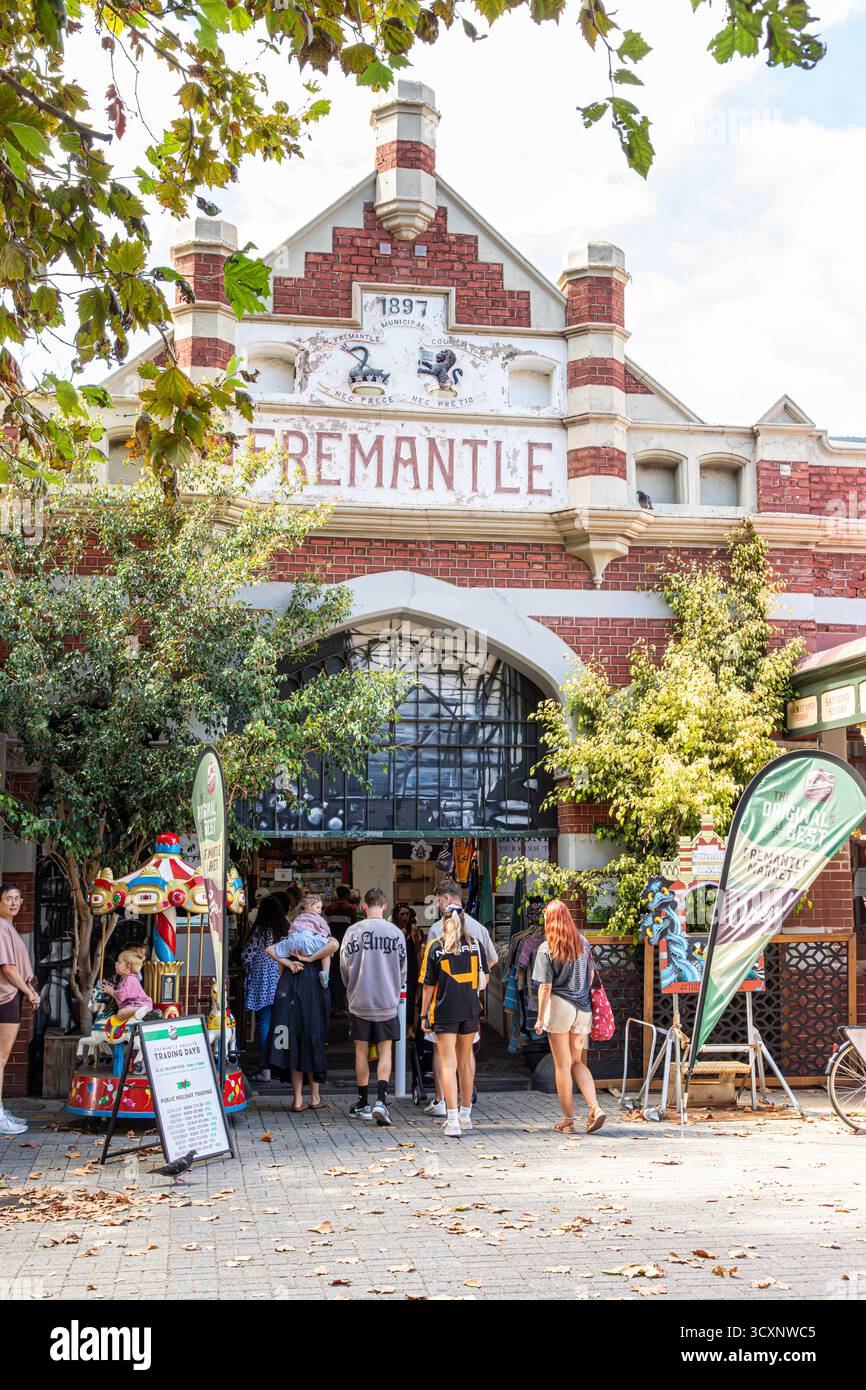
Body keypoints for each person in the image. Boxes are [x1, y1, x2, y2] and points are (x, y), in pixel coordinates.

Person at [421, 879, 499, 1119]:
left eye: (438, 900)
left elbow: (428, 981)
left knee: (445, 1059)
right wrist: (473, 985)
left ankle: (445, 1106)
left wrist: (422, 1015)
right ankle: (466, 1112)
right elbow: (491, 962)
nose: (437, 904)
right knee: (466, 1060)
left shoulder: (436, 935)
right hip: (470, 1005)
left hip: (443, 1004)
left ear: (446, 899)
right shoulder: (478, 934)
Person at [532, 899, 605, 1135]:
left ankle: (568, 1121)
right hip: (583, 1009)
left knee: (562, 1066)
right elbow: (591, 977)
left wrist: (540, 1018)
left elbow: (545, 987)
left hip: (560, 1007)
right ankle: (595, 1107)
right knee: (576, 1062)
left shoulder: (547, 948)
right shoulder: (583, 943)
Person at [340, 888, 406, 1127]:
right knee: (385, 1050)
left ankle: (363, 1102)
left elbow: (344, 966)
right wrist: (395, 988)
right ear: (385, 906)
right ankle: (381, 1100)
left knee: (361, 1051)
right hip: (387, 1001)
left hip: (360, 1000)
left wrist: (351, 988)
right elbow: (403, 969)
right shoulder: (395, 933)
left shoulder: (352, 932)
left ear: (364, 907)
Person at [265, 916, 338, 1112]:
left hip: (290, 988)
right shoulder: (322, 940)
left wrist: (290, 963)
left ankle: (297, 1100)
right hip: (313, 989)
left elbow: (276, 963)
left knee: (292, 1042)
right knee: (314, 1039)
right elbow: (333, 947)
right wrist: (311, 959)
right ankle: (315, 1097)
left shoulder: (288, 942)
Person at [0, 882, 40, 1136]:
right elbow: (8, 968)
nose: (14, 903)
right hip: (5, 997)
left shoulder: (8, 926)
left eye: (18, 898)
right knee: (0, 1059)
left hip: (9, 996)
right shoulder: (1, 927)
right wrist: (29, 992)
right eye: (8, 899)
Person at [241, 896, 283, 1083]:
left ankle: (265, 1069)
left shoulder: (259, 931)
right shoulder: (285, 930)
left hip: (262, 982)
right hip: (283, 980)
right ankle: (280, 1066)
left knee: (264, 1022)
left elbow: (247, 956)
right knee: (281, 1024)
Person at [277, 894, 333, 990]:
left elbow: (291, 930)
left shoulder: (298, 917)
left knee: (280, 951)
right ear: (308, 907)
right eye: (318, 907)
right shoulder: (318, 918)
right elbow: (325, 930)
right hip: (309, 941)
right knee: (327, 950)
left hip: (294, 942)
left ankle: (281, 975)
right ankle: (325, 974)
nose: (320, 910)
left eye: (320, 908)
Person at [324, 885, 356, 1014]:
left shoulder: (329, 909)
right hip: (345, 945)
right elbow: (354, 927)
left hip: (331, 945)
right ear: (347, 895)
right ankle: (341, 1005)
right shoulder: (350, 909)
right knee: (344, 974)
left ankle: (332, 1004)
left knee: (332, 974)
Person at [101, 947, 153, 1021]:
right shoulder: (128, 978)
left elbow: (121, 996)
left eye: (119, 962)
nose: (116, 963)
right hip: (136, 1003)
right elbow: (123, 990)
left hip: (139, 1004)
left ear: (127, 967)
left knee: (120, 1014)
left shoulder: (129, 979)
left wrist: (110, 991)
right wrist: (111, 985)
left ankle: (140, 1009)